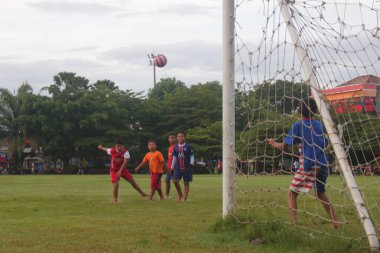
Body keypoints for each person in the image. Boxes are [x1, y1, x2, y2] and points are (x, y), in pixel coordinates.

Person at [268, 97, 339, 229]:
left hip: (310, 164)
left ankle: (294, 225)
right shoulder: (319, 124)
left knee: (292, 193)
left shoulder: (298, 125)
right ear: (314, 111)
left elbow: (284, 145)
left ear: (300, 110)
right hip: (323, 163)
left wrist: (273, 143)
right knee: (320, 193)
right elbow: (326, 142)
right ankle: (335, 221)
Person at [98, 138, 148, 204]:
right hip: (114, 171)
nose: (119, 147)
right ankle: (115, 200)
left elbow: (125, 163)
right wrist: (101, 147)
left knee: (132, 181)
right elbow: (106, 149)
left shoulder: (126, 152)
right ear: (115, 146)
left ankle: (142, 193)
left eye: (120, 146)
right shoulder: (112, 150)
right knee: (116, 184)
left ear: (123, 146)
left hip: (123, 170)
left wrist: (120, 171)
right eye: (117, 146)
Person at [171, 131, 195, 202]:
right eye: (179, 136)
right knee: (175, 181)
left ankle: (184, 199)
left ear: (185, 138)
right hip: (178, 167)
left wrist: (192, 162)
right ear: (177, 138)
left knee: (186, 182)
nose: (180, 138)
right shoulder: (175, 147)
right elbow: (174, 157)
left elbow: (192, 155)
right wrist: (172, 167)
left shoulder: (188, 146)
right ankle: (180, 194)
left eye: (182, 136)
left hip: (187, 166)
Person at [165, 133, 176, 199]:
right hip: (169, 168)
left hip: (174, 168)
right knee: (167, 181)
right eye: (170, 138)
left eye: (173, 138)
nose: (171, 139)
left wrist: (173, 167)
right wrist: (167, 165)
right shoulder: (169, 148)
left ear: (175, 139)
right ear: (168, 139)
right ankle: (167, 195)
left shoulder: (176, 147)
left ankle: (180, 195)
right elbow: (170, 158)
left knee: (175, 182)